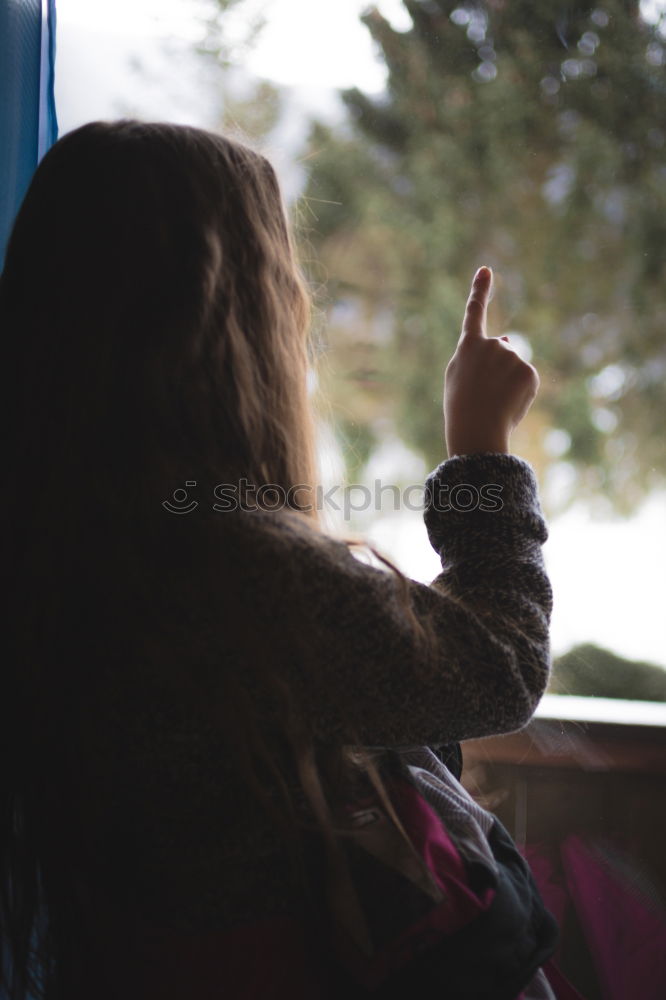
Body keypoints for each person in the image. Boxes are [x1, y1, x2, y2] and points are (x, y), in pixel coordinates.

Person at [0, 120, 552, 1000]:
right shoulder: (231, 569)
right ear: (229, 318)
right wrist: (482, 454)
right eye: (281, 285)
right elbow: (498, 669)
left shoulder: (69, 538)